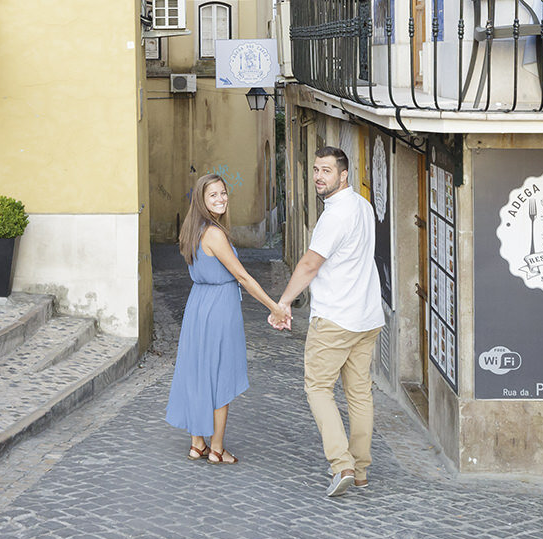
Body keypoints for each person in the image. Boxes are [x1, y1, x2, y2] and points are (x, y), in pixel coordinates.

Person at [272, 146, 385, 498]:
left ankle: (342, 464)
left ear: (343, 174)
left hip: (337, 318)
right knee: (359, 394)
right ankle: (362, 470)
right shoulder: (363, 206)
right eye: (317, 169)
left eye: (327, 170)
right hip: (366, 317)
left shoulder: (335, 215)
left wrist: (284, 302)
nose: (320, 176)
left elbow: (309, 264)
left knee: (318, 389)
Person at [165, 173, 290, 464]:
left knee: (197, 372)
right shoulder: (215, 233)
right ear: (201, 200)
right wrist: (274, 306)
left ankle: (198, 444)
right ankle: (217, 448)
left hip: (197, 304)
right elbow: (243, 277)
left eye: (223, 193)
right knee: (220, 374)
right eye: (213, 195)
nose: (221, 199)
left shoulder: (192, 230)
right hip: (219, 308)